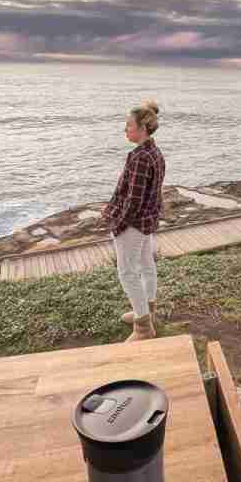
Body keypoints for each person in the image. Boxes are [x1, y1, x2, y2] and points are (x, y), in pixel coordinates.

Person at [101, 100, 166, 342]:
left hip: (134, 224)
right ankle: (146, 311)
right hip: (147, 221)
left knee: (127, 272)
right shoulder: (154, 152)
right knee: (147, 266)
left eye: (128, 125)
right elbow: (152, 194)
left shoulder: (140, 157)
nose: (125, 129)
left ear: (142, 128)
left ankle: (143, 327)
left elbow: (133, 200)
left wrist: (117, 224)